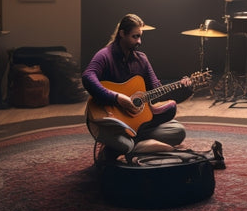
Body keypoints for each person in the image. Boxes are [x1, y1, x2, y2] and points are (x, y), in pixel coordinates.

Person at [82, 13, 192, 162]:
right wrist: (117, 98)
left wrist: (182, 88)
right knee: (125, 145)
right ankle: (139, 146)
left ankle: (131, 145)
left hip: (135, 125)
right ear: (122, 34)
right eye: (135, 37)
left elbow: (157, 90)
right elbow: (88, 77)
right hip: (109, 121)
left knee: (178, 132)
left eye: (140, 36)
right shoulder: (105, 55)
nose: (139, 41)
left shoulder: (142, 59)